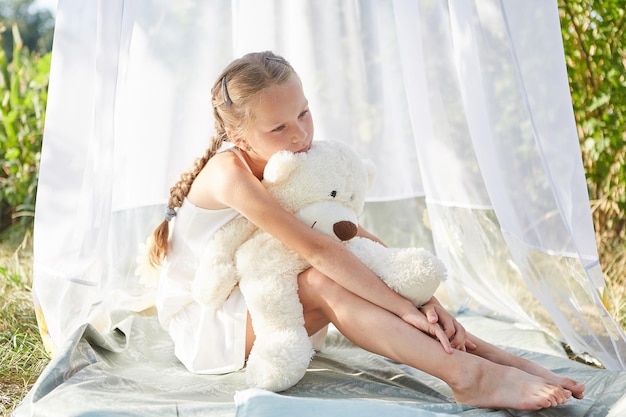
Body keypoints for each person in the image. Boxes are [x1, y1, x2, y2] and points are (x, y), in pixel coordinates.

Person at [149, 51, 585, 410]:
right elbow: (320, 251)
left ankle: (493, 359)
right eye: (279, 127)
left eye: (304, 113)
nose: (300, 135)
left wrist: (422, 299)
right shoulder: (229, 172)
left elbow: (346, 233)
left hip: (266, 288)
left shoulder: (294, 158)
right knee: (325, 281)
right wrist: (402, 308)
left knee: (358, 278)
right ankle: (468, 376)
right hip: (209, 317)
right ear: (237, 135)